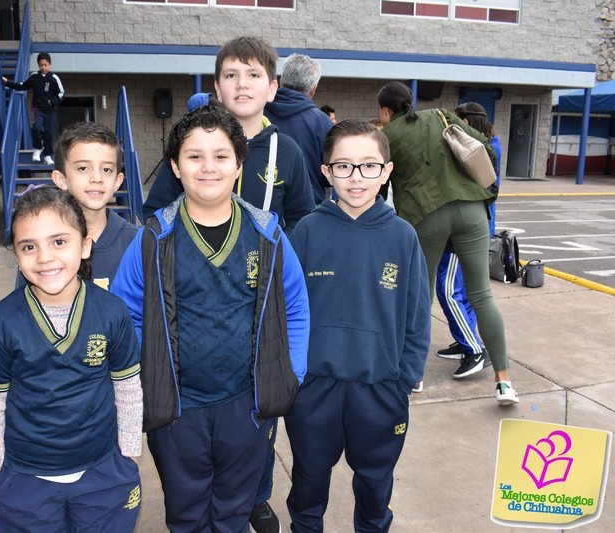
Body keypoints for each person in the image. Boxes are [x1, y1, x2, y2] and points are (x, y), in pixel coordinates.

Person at [111, 105, 309, 533]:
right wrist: (144, 383)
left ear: (239, 166)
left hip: (247, 404)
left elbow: (294, 306)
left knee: (234, 508)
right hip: (177, 409)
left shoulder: (268, 234)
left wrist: (290, 372)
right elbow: (127, 316)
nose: (208, 167)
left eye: (221, 156)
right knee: (186, 510)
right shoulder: (152, 239)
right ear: (175, 167)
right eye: (194, 156)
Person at [286, 118, 430, 532]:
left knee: (374, 481)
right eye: (343, 166)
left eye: (369, 166)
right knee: (309, 477)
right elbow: (286, 308)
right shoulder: (307, 231)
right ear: (326, 172)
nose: (356, 177)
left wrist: (405, 376)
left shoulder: (402, 236)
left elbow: (417, 314)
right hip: (315, 387)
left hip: (380, 386)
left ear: (386, 172)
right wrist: (294, 374)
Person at [0, 186, 143, 531]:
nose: (44, 257)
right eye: (29, 247)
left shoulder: (112, 311)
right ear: (16, 255)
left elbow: (127, 386)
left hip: (102, 470)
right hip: (25, 475)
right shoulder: (2, 320)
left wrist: (129, 454)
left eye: (59, 242)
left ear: (85, 245)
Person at [377, 81, 519, 405]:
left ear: (385, 110)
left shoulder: (388, 137)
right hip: (472, 209)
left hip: (425, 215)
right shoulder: (440, 115)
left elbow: (380, 186)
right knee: (481, 295)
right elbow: (483, 145)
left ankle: (415, 375)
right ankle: (504, 382)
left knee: (421, 298)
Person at [142, 36, 315, 237]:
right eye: (231, 75)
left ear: (272, 89)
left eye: (254, 75)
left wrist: (275, 250)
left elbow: (301, 219)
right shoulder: (190, 144)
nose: (242, 84)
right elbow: (154, 212)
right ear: (218, 89)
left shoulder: (287, 151)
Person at [434, 103, 501, 377]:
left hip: (463, 233)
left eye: (457, 120)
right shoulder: (489, 144)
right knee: (465, 291)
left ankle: (473, 349)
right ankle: (466, 341)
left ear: (467, 121)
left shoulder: (478, 148)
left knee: (448, 290)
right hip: (474, 229)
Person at [50, 121, 139, 290]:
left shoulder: (137, 242)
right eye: (83, 168)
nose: (97, 178)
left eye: (106, 170)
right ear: (61, 179)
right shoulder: (44, 242)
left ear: (117, 181)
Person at [264, 53, 335, 203]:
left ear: (281, 81)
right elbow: (329, 176)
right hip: (308, 205)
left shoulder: (258, 113)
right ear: (314, 88)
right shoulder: (322, 122)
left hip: (263, 205)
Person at [2, 52, 65, 166]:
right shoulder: (34, 76)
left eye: (45, 65)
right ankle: (38, 148)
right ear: (38, 65)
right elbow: (22, 85)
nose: (43, 67)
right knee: (36, 128)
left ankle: (47, 155)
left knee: (49, 133)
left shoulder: (54, 78)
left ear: (50, 64)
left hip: (50, 111)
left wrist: (52, 101)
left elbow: (61, 93)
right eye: (41, 65)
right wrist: (8, 83)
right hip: (37, 109)